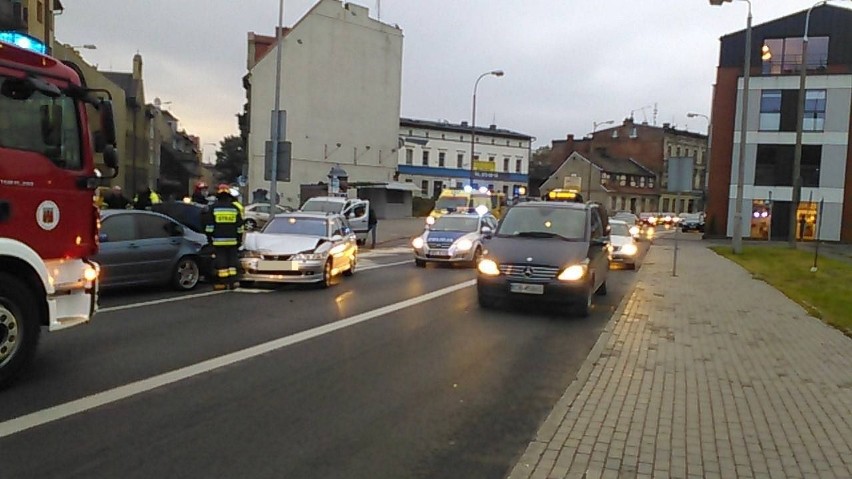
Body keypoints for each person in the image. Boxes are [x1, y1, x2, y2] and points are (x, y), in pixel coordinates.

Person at [203, 184, 245, 290]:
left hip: (219, 241)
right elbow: (240, 226)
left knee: (221, 262)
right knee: (232, 261)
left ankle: (223, 283)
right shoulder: (234, 208)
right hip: (232, 241)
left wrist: (209, 238)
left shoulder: (213, 208)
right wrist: (239, 240)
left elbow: (209, 226)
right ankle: (233, 282)